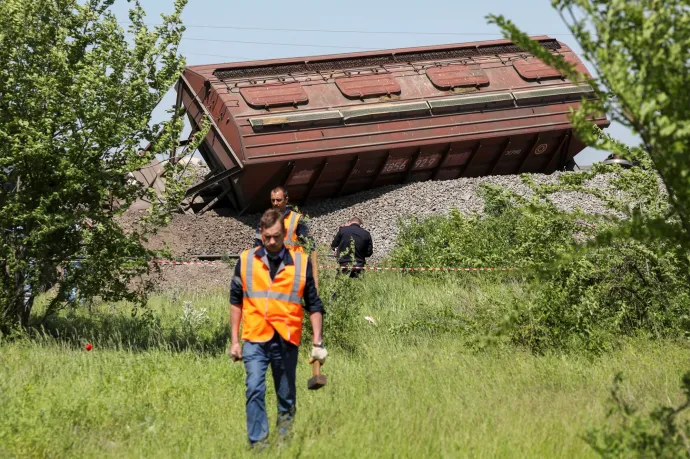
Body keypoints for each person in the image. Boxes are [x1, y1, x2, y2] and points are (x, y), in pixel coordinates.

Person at [230, 208, 327, 449]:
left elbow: (313, 304)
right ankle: (259, 444)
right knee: (254, 388)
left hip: (286, 338)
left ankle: (284, 442)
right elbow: (235, 301)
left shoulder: (301, 262)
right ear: (260, 233)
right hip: (255, 336)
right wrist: (234, 340)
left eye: (276, 236)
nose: (271, 241)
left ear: (284, 234)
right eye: (266, 237)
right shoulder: (245, 260)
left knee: (285, 395)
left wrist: (317, 342)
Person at [254, 186, 319, 291]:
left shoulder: (296, 219)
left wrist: (314, 280)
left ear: (286, 200)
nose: (275, 203)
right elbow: (257, 247)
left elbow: (311, 247)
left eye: (278, 200)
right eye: (273, 200)